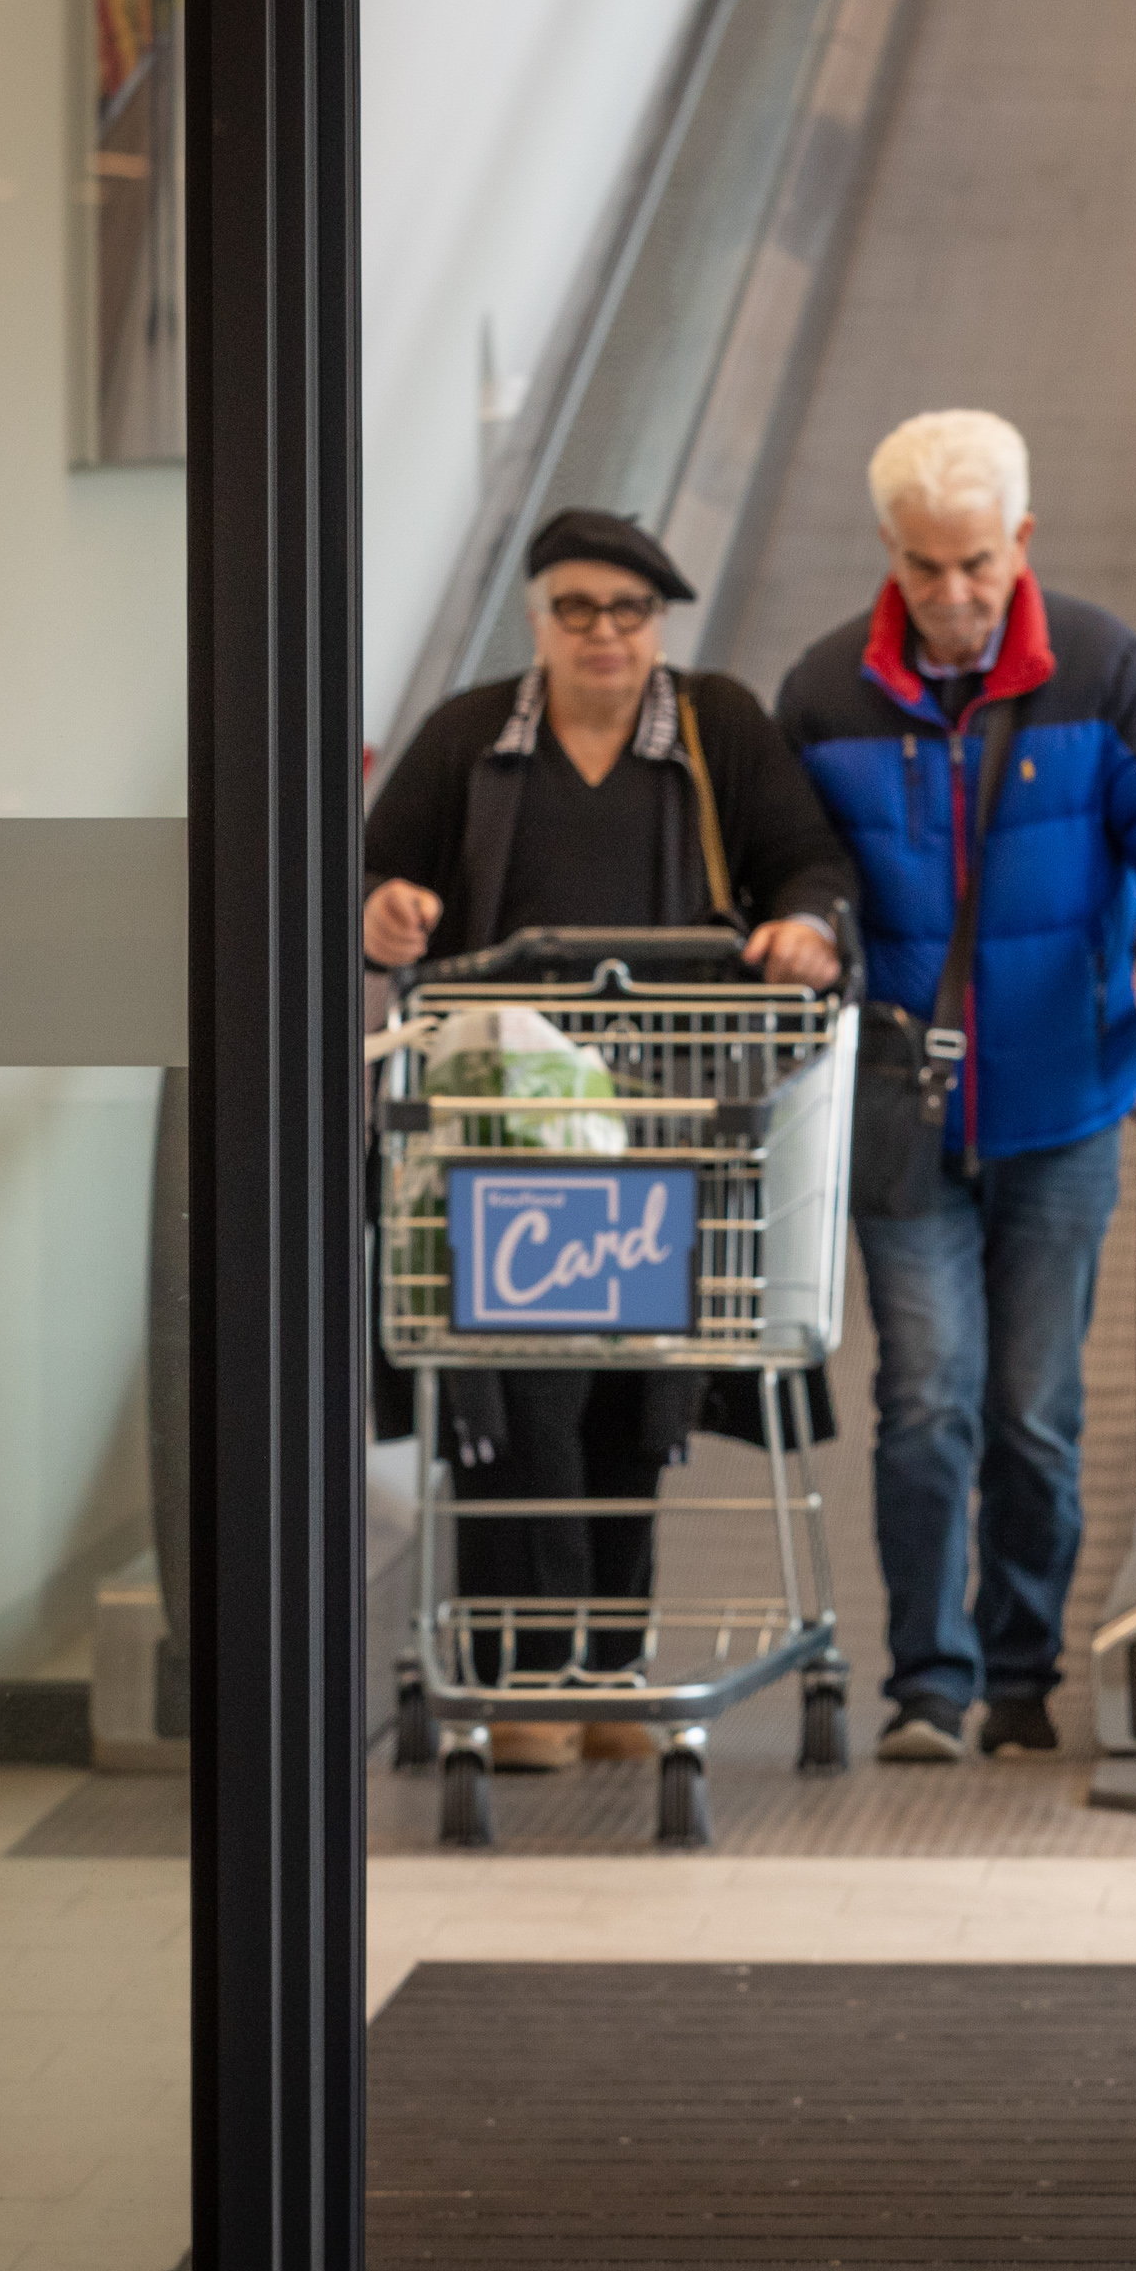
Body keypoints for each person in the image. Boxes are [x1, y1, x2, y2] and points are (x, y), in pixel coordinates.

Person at [776, 411, 1136, 1764]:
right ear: (889, 549)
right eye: (923, 565)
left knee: (1035, 1411)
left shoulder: (1101, 670)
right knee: (927, 1395)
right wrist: (801, 918)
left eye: (976, 562)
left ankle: (1022, 1675)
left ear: (1022, 539)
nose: (952, 594)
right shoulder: (823, 694)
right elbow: (783, 853)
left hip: (1062, 1104)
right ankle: (929, 1685)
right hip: (899, 1112)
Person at [363, 508, 857, 1772]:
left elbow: (807, 862)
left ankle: (609, 1668)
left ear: (658, 623)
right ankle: (522, 1672)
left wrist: (803, 926)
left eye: (628, 610)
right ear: (538, 618)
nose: (604, 633)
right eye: (576, 608)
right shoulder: (473, 736)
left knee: (638, 1393)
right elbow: (371, 874)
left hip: (665, 1122)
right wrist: (385, 908)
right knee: (513, 1389)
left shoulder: (714, 728)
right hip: (502, 1127)